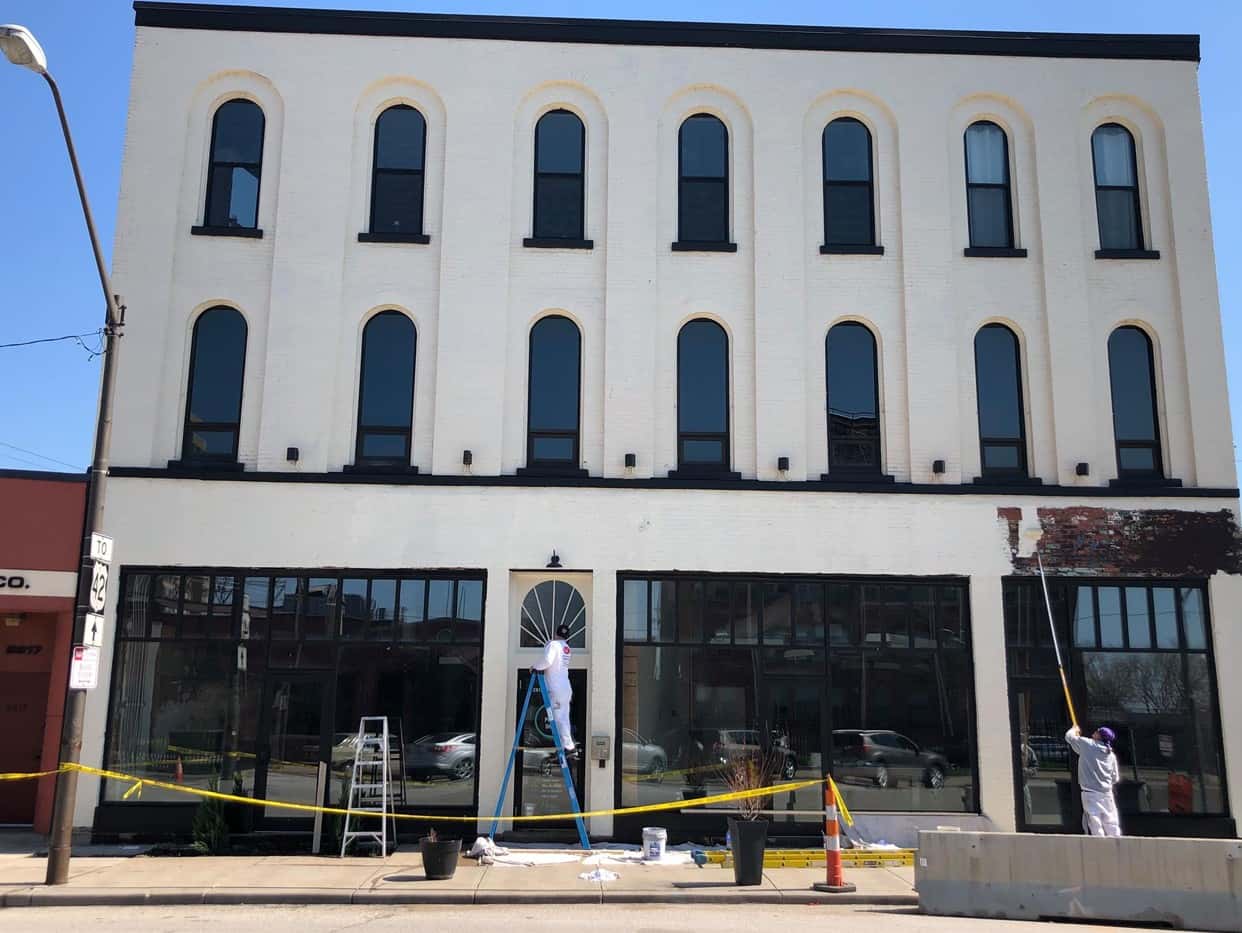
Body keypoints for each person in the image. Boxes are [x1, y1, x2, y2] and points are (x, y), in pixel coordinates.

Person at [1065, 725, 1121, 837]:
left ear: (1099, 735)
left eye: (1096, 732)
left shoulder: (1087, 744)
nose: (1093, 733)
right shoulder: (1111, 755)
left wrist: (1074, 729)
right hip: (1107, 794)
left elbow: (1069, 737)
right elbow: (1115, 778)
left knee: (1094, 821)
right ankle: (1117, 845)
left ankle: (1098, 846)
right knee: (1111, 822)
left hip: (1090, 793)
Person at [532, 622, 577, 759]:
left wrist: (534, 667)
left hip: (556, 689)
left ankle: (568, 747)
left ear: (555, 634)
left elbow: (547, 661)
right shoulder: (566, 648)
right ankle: (567, 745)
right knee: (563, 718)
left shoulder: (553, 645)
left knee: (557, 719)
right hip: (565, 688)